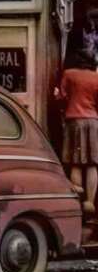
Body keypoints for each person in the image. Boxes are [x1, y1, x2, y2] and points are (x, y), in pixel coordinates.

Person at [57, 59, 98, 214]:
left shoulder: (69, 74)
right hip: (93, 121)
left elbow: (61, 97)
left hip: (73, 120)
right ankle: (90, 202)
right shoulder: (96, 77)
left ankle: (78, 203)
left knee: (75, 162)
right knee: (92, 163)